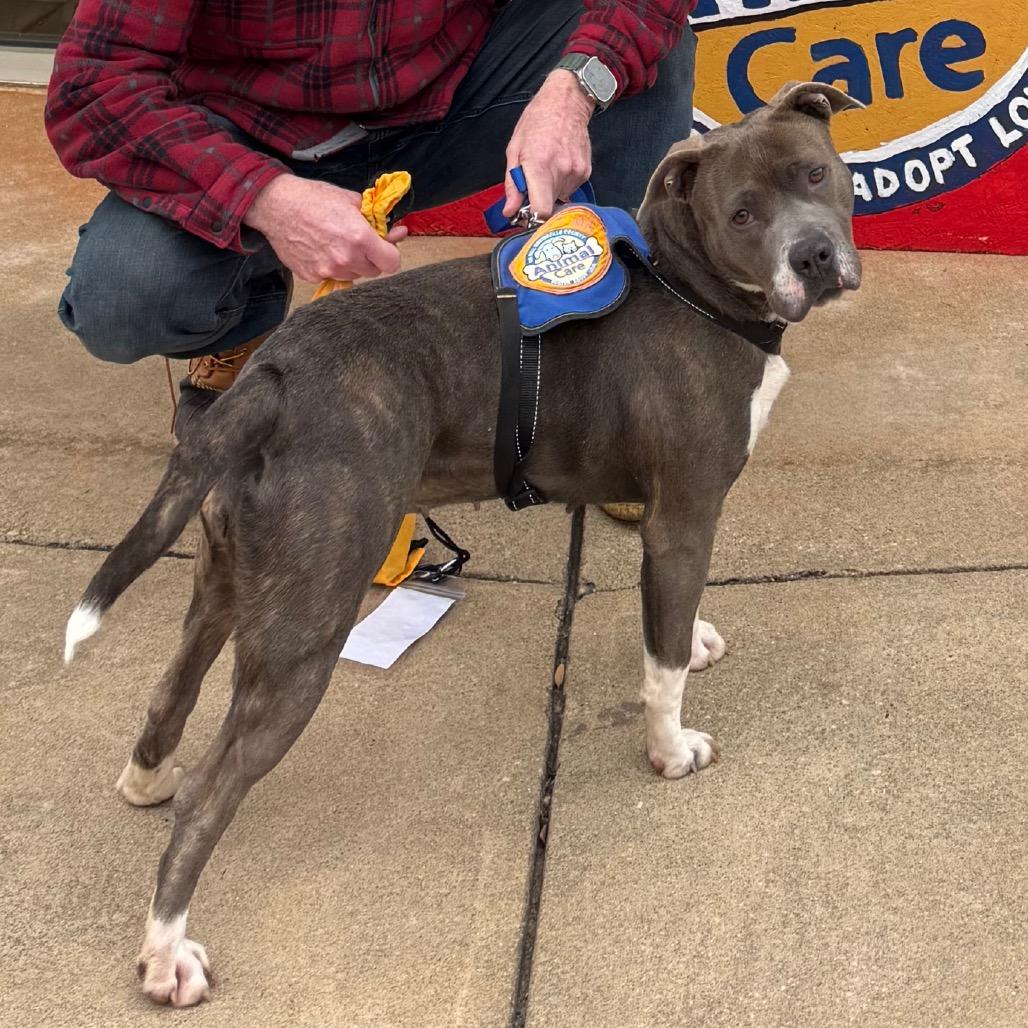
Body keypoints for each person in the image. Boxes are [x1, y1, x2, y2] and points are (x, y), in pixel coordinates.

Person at [46, 0, 697, 435]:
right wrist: (265, 199)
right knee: (124, 293)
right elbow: (91, 88)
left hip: (448, 98)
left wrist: (571, 93)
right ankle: (243, 312)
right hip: (253, 131)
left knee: (641, 49)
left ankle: (618, 363)